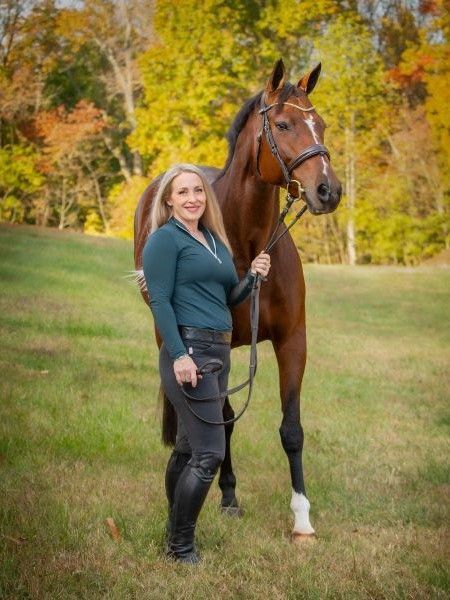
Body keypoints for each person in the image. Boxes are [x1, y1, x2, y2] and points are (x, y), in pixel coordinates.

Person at [142, 163, 270, 565]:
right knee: (210, 454)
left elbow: (227, 295)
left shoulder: (212, 240)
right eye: (182, 192)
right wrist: (179, 354)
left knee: (185, 449)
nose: (192, 198)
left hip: (219, 350)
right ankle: (180, 547)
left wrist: (251, 277)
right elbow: (160, 301)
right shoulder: (164, 240)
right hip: (191, 352)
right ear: (169, 200)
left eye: (197, 190)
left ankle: (173, 527)